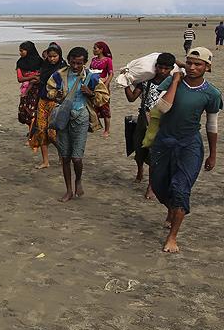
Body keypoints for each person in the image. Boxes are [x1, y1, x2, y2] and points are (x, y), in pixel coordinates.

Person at [150, 47, 220, 253]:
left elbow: (212, 125)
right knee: (160, 186)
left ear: (207, 67)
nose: (192, 67)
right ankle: (170, 209)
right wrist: (175, 82)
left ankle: (172, 237)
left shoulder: (212, 93)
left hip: (189, 145)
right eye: (189, 63)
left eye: (198, 64)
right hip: (164, 141)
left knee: (181, 188)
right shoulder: (172, 82)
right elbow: (162, 108)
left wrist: (213, 154)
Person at [46, 46, 101, 202]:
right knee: (65, 157)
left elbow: (103, 97)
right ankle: (69, 190)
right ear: (68, 60)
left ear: (85, 62)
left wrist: (90, 93)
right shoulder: (59, 75)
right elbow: (49, 90)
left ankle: (78, 180)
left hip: (81, 117)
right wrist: (56, 94)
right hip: (63, 118)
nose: (76, 66)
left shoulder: (91, 77)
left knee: (77, 158)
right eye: (73, 63)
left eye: (79, 63)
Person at [125, 52, 175, 199]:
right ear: (156, 67)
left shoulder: (173, 84)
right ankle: (140, 169)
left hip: (162, 121)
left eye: (167, 68)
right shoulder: (146, 81)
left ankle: (151, 186)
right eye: (160, 67)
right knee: (139, 148)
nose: (163, 71)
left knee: (155, 153)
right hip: (143, 118)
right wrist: (125, 83)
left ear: (171, 68)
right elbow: (131, 98)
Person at [28, 44, 66, 169]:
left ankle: (62, 154)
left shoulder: (63, 69)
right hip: (42, 101)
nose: (52, 59)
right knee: (41, 131)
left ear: (59, 56)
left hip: (55, 102)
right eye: (50, 56)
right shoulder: (44, 66)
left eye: (55, 56)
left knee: (52, 133)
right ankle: (45, 161)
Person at [16, 41, 44, 133]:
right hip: (26, 90)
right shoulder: (20, 62)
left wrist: (35, 78)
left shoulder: (40, 61)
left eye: (22, 51)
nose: (20, 53)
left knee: (34, 112)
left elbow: (43, 74)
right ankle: (31, 131)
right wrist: (33, 76)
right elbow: (20, 78)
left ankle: (32, 134)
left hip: (37, 89)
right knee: (25, 112)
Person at [90, 41, 114, 138]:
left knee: (105, 109)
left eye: (95, 48)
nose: (93, 50)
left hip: (102, 87)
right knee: (94, 106)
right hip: (94, 85)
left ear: (101, 50)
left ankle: (107, 130)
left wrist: (106, 84)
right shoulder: (93, 60)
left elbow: (111, 73)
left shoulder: (107, 60)